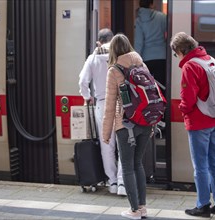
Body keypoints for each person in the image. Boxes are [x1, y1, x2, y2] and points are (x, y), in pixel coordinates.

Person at [170, 32, 215, 217]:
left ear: (181, 50)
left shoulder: (190, 66)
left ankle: (203, 205)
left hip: (199, 122)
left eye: (175, 54)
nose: (176, 57)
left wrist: (183, 109)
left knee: (200, 166)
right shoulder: (210, 60)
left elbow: (188, 98)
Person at [102, 33, 152, 220]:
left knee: (128, 166)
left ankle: (134, 210)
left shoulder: (114, 70)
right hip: (145, 122)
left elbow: (109, 106)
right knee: (138, 163)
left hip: (125, 124)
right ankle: (143, 207)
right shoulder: (141, 63)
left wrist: (106, 134)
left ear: (113, 50)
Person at [78, 28, 126, 196]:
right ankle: (122, 183)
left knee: (107, 144)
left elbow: (83, 81)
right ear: (112, 40)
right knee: (123, 145)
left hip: (103, 105)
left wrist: (87, 97)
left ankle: (112, 182)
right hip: (121, 104)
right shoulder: (121, 55)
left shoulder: (93, 58)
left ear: (99, 41)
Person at [134, 0, 167, 88]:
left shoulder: (138, 21)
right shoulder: (162, 17)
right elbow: (168, 35)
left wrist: (135, 60)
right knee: (162, 85)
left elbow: (139, 42)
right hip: (162, 57)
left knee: (149, 86)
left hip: (147, 58)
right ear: (151, 4)